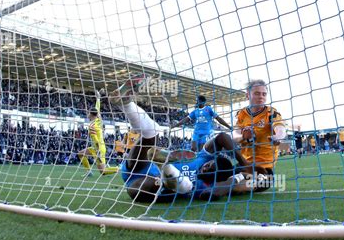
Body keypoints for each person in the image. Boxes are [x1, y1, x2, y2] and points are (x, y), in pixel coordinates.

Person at [108, 76, 257, 202]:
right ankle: (125, 101)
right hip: (140, 164)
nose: (205, 166)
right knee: (151, 132)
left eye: (210, 169)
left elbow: (211, 194)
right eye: (209, 164)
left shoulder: (205, 185)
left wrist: (234, 179)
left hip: (144, 184)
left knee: (168, 185)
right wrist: (244, 163)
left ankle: (166, 170)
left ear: (215, 177)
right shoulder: (202, 157)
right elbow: (222, 137)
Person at [233, 80, 286, 188]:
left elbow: (280, 129)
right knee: (217, 174)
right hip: (244, 163)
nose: (261, 97)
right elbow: (234, 136)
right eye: (257, 93)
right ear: (248, 95)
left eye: (264, 94)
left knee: (237, 187)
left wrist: (278, 137)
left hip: (264, 168)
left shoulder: (270, 112)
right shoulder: (241, 114)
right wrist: (244, 136)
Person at [77, 90, 119, 176]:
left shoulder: (92, 126)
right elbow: (97, 108)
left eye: (88, 113)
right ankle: (88, 172)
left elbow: (95, 140)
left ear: (91, 115)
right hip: (96, 147)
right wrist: (98, 98)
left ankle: (119, 168)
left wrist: (98, 151)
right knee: (81, 153)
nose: (87, 115)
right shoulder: (98, 119)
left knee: (103, 171)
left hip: (98, 148)